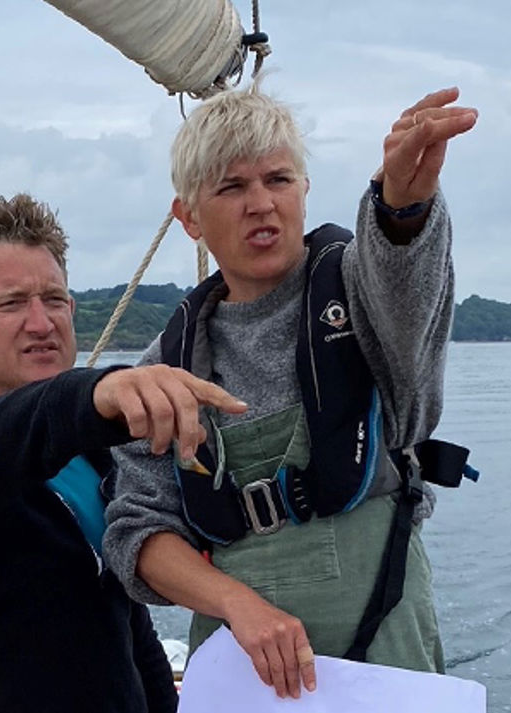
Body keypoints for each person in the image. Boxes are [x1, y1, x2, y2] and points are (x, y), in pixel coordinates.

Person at [103, 84, 479, 699]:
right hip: (239, 670)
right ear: (189, 217)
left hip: (383, 651)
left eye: (278, 179)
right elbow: (135, 533)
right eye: (231, 187)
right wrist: (238, 605)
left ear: (305, 191)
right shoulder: (164, 370)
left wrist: (404, 204)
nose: (261, 204)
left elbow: (404, 274)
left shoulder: (363, 296)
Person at [0, 193, 247, 713]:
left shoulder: (98, 466)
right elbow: (3, 435)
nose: (41, 322)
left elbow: (129, 634)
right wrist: (96, 393)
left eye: (54, 300)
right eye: (11, 303)